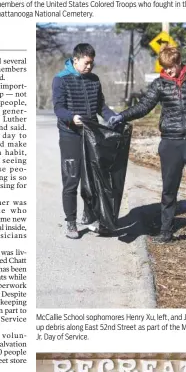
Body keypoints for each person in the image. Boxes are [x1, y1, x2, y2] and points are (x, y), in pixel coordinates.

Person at [108, 44, 186, 244]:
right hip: (170, 143)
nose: (167, 71)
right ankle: (166, 231)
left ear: (179, 63)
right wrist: (121, 116)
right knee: (169, 189)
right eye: (164, 67)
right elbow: (144, 106)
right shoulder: (160, 84)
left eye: (170, 67)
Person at [52, 43, 115, 239]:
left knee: (93, 180)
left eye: (92, 64)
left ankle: (92, 218)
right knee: (72, 180)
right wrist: (72, 117)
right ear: (76, 59)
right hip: (70, 135)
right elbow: (58, 108)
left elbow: (101, 107)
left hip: (91, 136)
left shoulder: (94, 80)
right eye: (87, 63)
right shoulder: (61, 79)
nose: (89, 67)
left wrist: (112, 117)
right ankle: (71, 222)